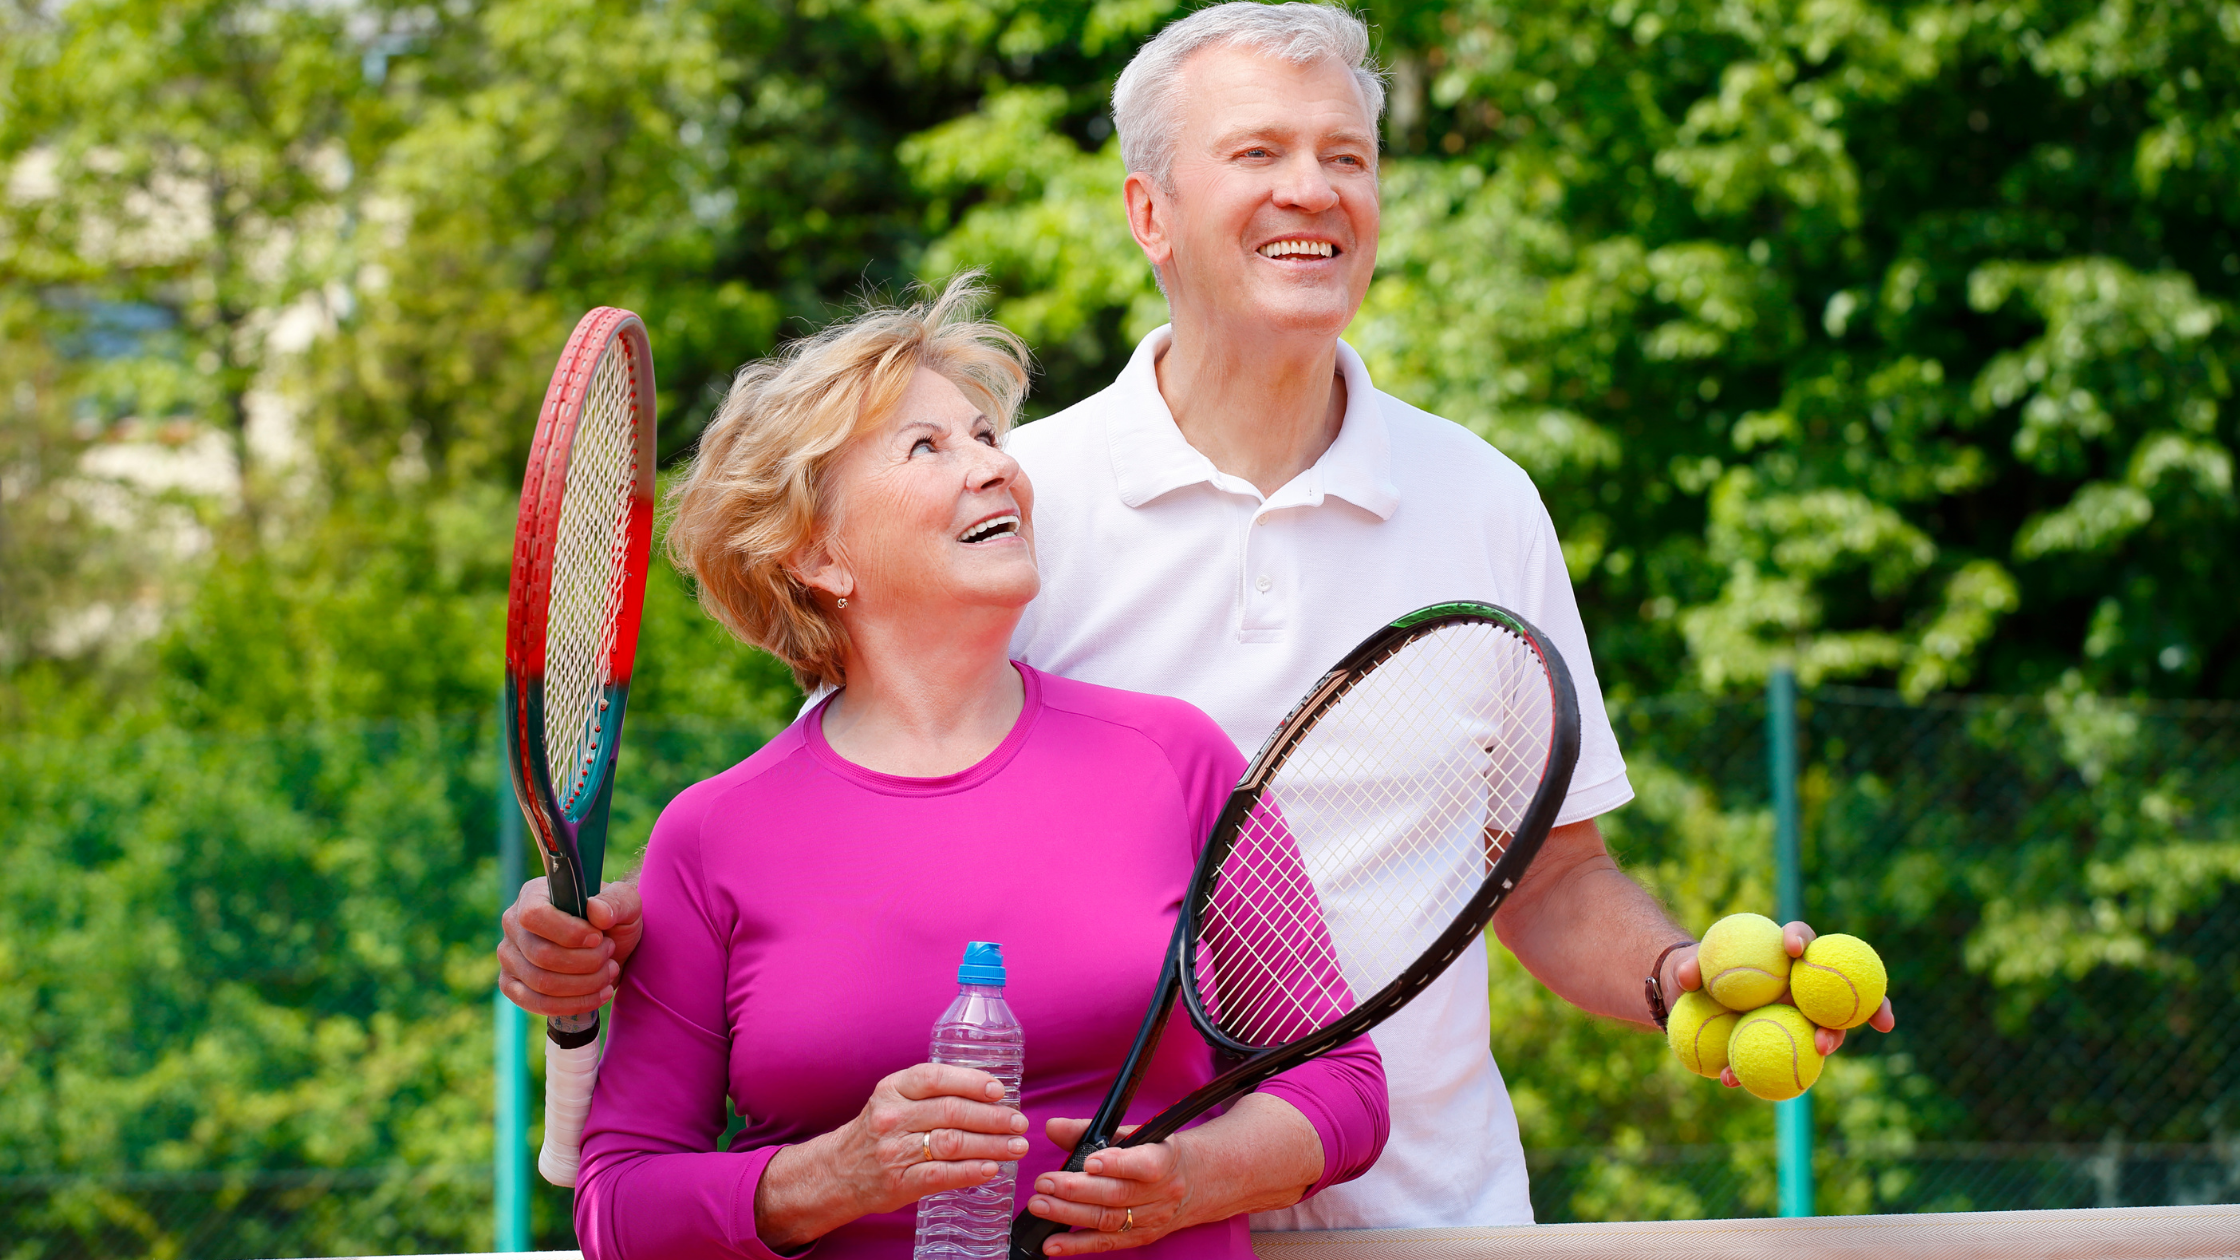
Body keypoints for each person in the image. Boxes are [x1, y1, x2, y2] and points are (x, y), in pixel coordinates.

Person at [505, 0, 1897, 1239]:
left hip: (1433, 1212)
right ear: (1148, 213)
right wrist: (624, 939)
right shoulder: (1015, 507)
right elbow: (864, 827)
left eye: (1347, 155)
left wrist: (1672, 977)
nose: (1316, 189)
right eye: (1260, 152)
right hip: (1120, 1225)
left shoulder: (1483, 502)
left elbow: (1549, 873)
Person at [568, 280, 1387, 1260]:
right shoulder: (712, 836)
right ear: (817, 555)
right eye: (929, 447)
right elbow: (618, 1203)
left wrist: (1188, 1179)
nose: (995, 469)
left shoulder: (1175, 761)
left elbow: (1339, 1086)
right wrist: (837, 1174)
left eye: (986, 437)